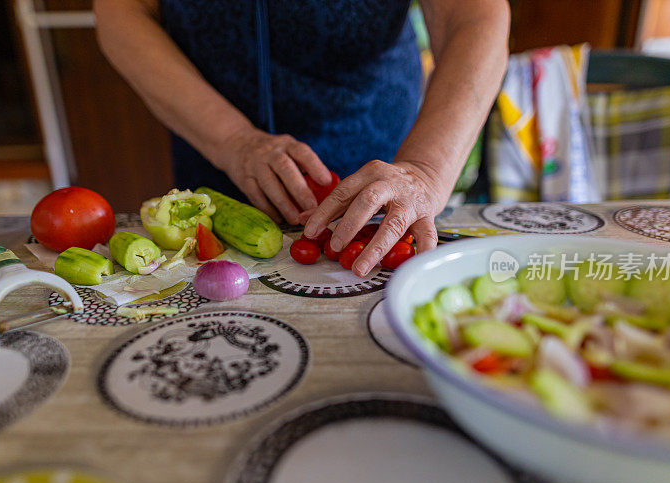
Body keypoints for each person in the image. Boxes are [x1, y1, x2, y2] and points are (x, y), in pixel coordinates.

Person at [95, 0, 509, 276]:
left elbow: (473, 16)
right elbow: (123, 12)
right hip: (211, 140)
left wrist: (424, 169)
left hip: (378, 137)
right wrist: (233, 140)